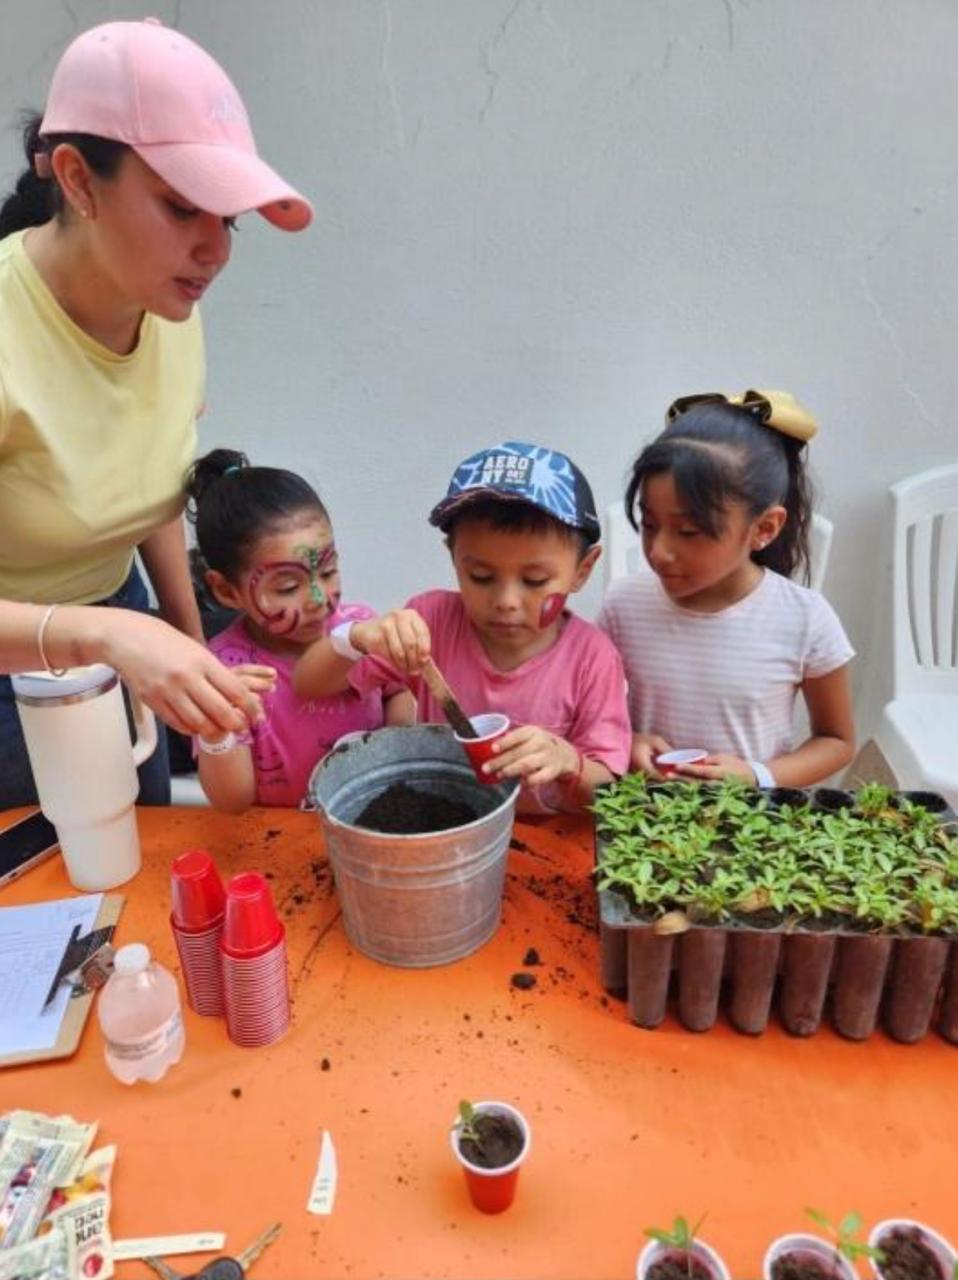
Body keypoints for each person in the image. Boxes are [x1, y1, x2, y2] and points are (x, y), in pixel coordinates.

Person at [0, 18, 312, 808]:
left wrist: (184, 635)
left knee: (137, 856)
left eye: (228, 219)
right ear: (76, 179)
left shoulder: (169, 308)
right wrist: (108, 635)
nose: (216, 250)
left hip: (117, 624)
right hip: (18, 660)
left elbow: (145, 488)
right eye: (182, 208)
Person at [293, 442, 632, 814]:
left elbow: (609, 789)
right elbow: (309, 684)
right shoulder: (432, 623)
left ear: (582, 570)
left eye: (534, 580)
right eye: (481, 576)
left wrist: (571, 762)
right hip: (448, 827)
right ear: (453, 557)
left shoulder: (592, 659)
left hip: (546, 842)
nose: (506, 600)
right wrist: (355, 637)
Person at [598, 390, 855, 788]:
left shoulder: (805, 619)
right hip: (642, 822)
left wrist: (757, 775)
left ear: (764, 528)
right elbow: (592, 712)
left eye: (688, 531)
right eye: (649, 524)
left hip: (748, 829)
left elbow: (836, 740)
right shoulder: (623, 605)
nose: (660, 551)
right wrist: (624, 740)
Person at [187, 449, 414, 812]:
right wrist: (217, 729)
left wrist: (392, 748)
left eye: (327, 572)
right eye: (288, 587)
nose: (317, 599)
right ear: (227, 591)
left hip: (369, 820)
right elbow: (232, 802)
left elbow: (397, 693)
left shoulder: (358, 631)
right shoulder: (225, 673)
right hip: (283, 840)